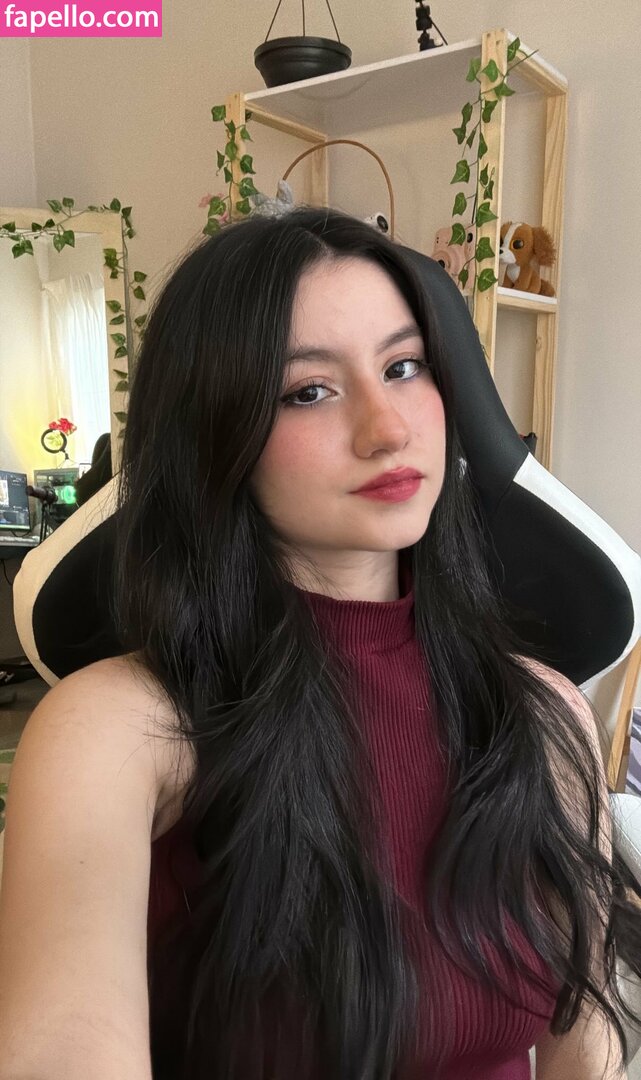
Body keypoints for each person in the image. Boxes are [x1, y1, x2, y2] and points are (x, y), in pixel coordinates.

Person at [0, 207, 640, 1080]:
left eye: (404, 367)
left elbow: (584, 1045)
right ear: (216, 434)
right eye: (308, 390)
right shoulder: (112, 733)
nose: (388, 428)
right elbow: (65, 1047)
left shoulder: (542, 714)